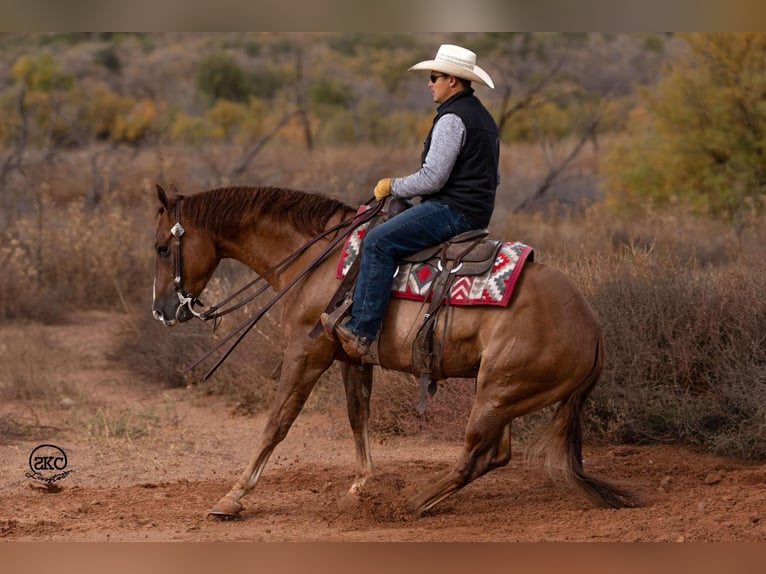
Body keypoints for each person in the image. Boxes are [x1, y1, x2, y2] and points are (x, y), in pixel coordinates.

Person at [322, 44, 500, 361]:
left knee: (377, 240)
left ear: (453, 81)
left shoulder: (452, 119)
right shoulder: (482, 118)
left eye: (434, 77)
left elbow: (433, 178)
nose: (429, 83)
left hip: (453, 211)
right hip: (474, 210)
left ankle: (361, 331)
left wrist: (393, 185)